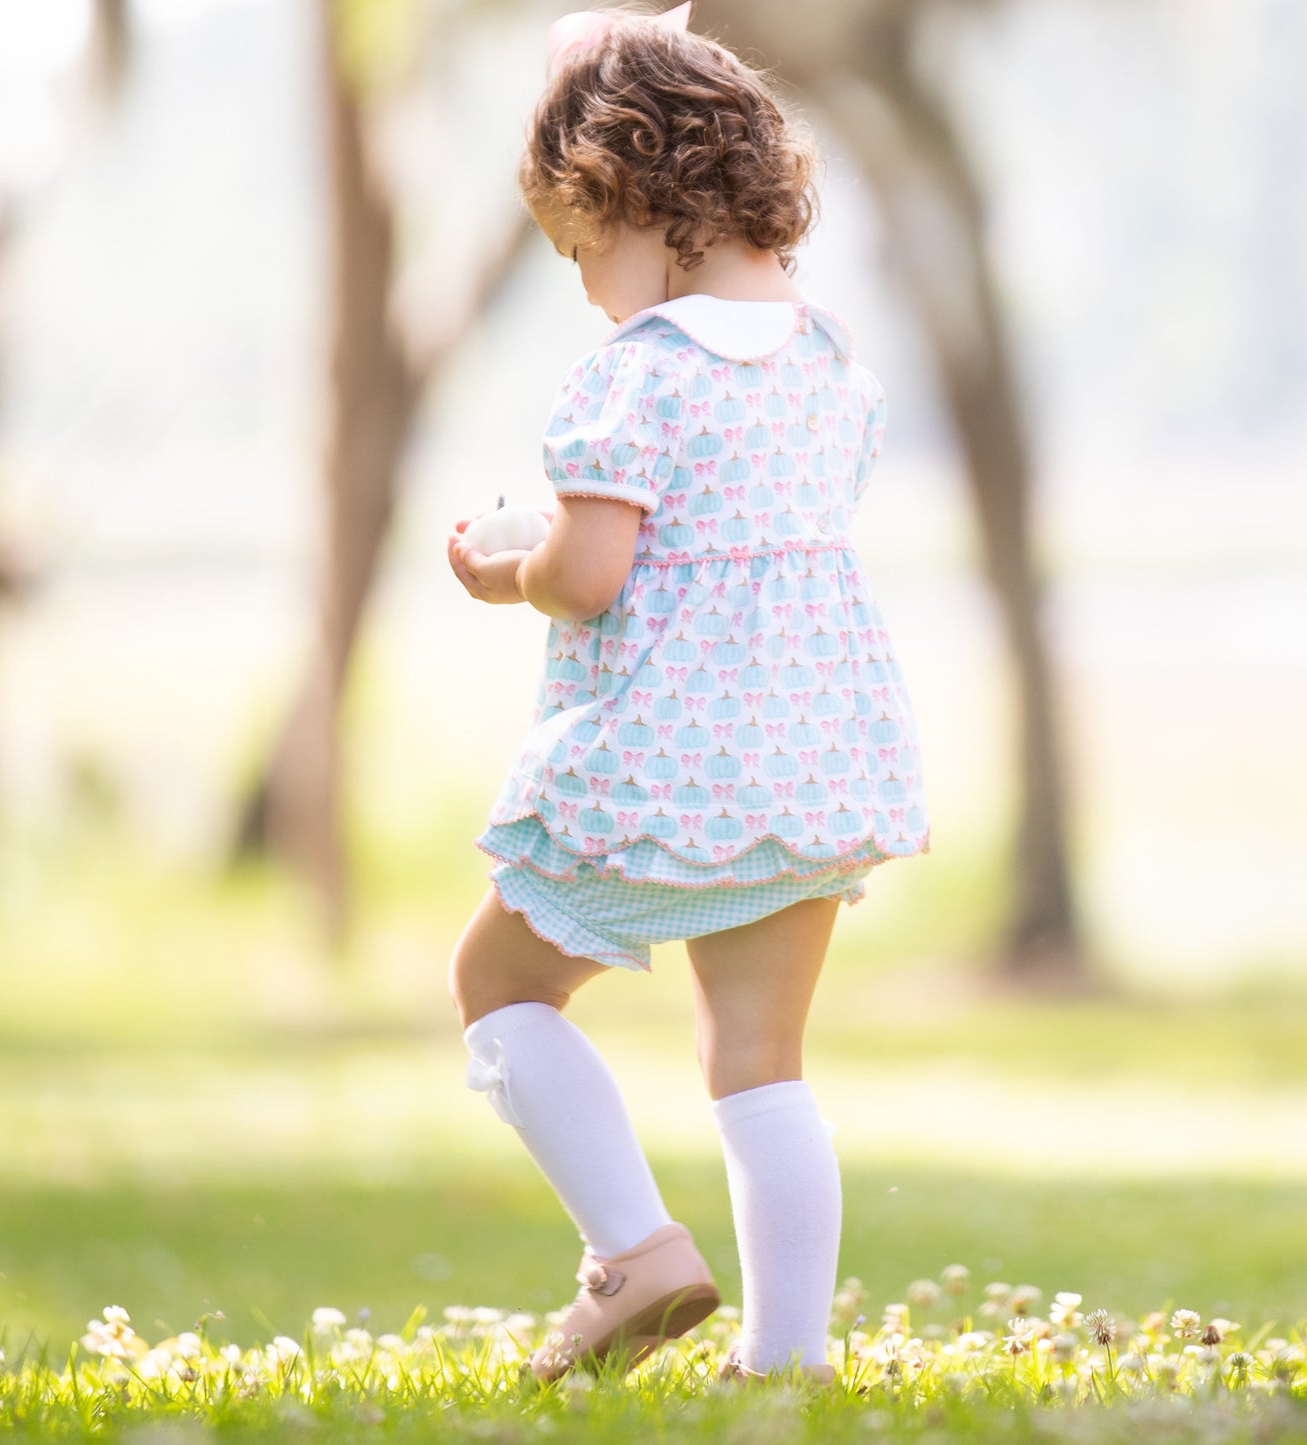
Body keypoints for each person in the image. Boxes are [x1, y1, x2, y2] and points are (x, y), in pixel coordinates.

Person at [446, 1, 928, 1385]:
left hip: (663, 757)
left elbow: (593, 575)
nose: (586, 286)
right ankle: (786, 1359)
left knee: (495, 982)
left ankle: (636, 1248)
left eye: (580, 248)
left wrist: (507, 567)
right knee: (761, 1057)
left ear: (632, 199)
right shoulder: (830, 358)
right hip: (808, 747)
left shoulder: (628, 377)